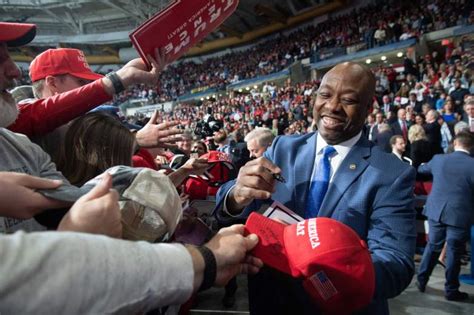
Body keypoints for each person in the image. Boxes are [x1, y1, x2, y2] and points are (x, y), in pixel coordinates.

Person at [0, 21, 263, 313]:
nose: (13, 70)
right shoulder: (33, 133)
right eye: (81, 84)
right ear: (53, 84)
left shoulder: (18, 144)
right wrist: (205, 262)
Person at [216, 62, 416, 314]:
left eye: (349, 100)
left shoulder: (391, 173)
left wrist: (332, 270)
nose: (332, 106)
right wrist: (237, 195)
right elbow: (228, 206)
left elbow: (395, 263)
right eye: (325, 95)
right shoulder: (283, 148)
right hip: (272, 302)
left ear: (368, 108)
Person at [416, 132, 474, 301]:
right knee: (454, 253)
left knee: (433, 246)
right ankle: (451, 290)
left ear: (455, 142)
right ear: (471, 147)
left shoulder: (439, 159)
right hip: (460, 214)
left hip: (436, 210)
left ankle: (421, 279)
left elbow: (420, 170)